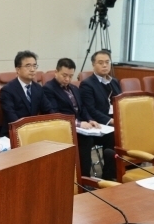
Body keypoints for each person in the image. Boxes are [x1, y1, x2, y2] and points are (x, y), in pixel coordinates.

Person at [43, 58, 101, 177]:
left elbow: (82, 108)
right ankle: (84, 179)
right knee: (86, 141)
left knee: (109, 136)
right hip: (64, 128)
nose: (67, 79)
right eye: (64, 75)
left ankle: (110, 174)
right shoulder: (48, 89)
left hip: (80, 127)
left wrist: (90, 119)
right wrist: (78, 124)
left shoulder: (74, 88)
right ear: (56, 72)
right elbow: (54, 113)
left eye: (71, 76)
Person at [79, 50, 120, 180]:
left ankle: (128, 168)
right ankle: (109, 175)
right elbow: (90, 110)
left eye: (107, 62)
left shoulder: (115, 82)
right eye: (100, 63)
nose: (104, 65)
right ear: (93, 65)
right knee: (114, 136)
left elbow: (121, 104)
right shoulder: (87, 84)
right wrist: (111, 121)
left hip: (116, 122)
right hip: (99, 125)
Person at [0, 50, 55, 136]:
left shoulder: (38, 88)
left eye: (34, 66)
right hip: (13, 134)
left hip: (34, 132)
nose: (32, 69)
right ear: (18, 69)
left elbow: (48, 110)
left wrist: (56, 122)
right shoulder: (7, 90)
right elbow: (12, 118)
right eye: (28, 66)